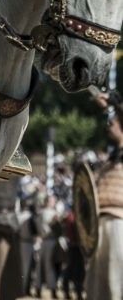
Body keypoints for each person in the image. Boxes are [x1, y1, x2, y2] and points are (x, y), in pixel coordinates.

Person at [85, 105, 123, 300]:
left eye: (114, 122)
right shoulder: (111, 160)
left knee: (117, 281)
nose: (109, 126)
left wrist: (111, 104)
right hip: (99, 223)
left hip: (119, 223)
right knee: (98, 285)